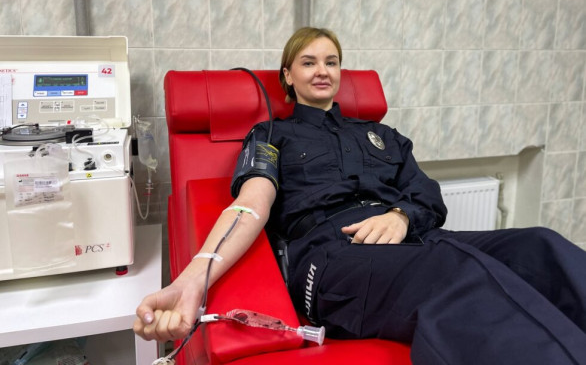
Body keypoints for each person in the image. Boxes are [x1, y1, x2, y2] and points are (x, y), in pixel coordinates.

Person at [135, 27, 586, 364]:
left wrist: (401, 217)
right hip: (330, 259)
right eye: (308, 62)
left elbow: (428, 196)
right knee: (454, 270)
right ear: (287, 76)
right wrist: (191, 281)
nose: (322, 70)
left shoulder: (383, 135)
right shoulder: (272, 134)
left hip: (409, 239)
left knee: (537, 246)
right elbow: (251, 204)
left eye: (331, 61)